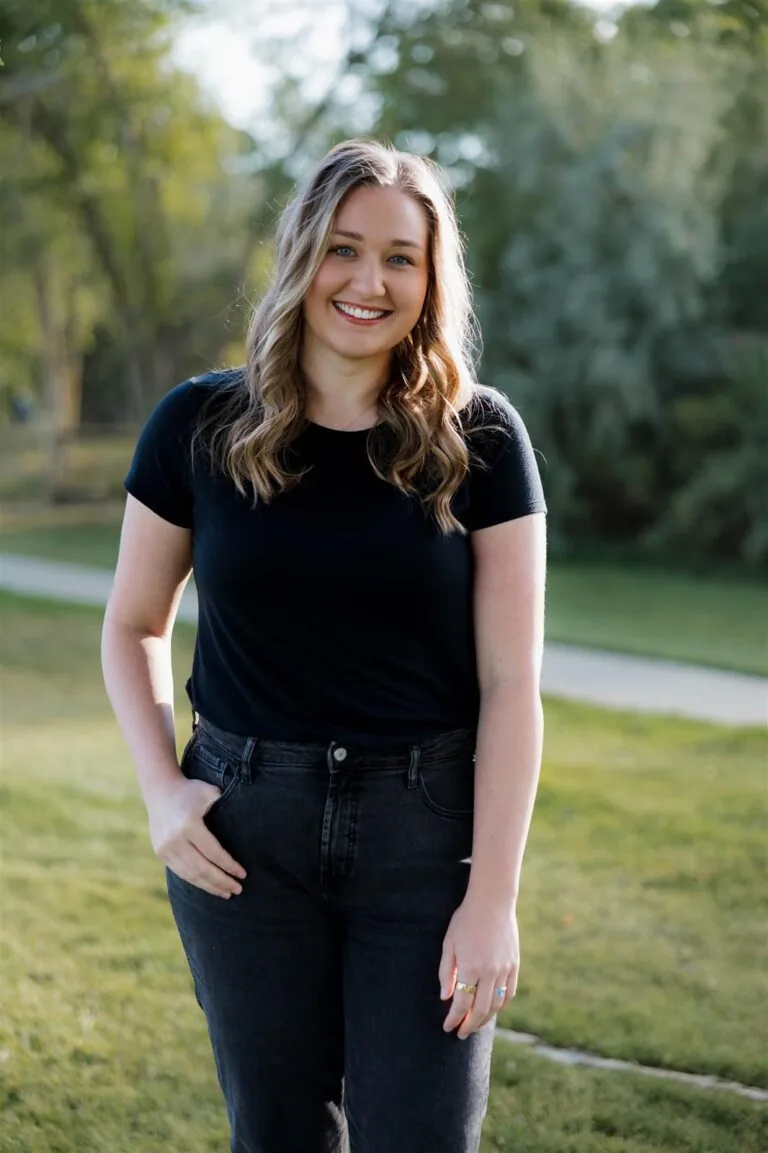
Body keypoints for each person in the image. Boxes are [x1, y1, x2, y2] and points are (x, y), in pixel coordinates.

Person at [101, 137, 547, 1153]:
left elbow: (512, 683)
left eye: (400, 257)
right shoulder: (197, 425)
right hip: (244, 835)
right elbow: (132, 624)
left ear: (430, 281)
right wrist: (162, 791)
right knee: (279, 1135)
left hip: (424, 837)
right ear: (302, 253)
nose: (368, 281)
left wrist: (493, 898)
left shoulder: (481, 439)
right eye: (344, 248)